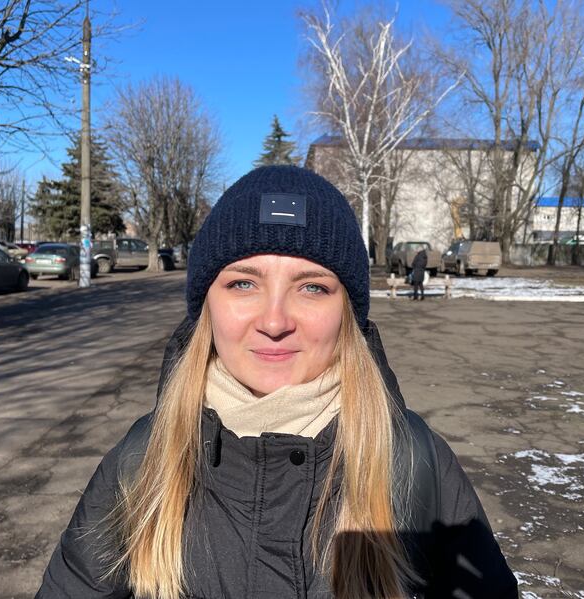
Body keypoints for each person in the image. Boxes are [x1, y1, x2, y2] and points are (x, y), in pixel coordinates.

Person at [36, 165, 517, 598]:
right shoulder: (143, 459)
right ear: (207, 306)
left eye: (311, 287)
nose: (274, 320)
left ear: (347, 313)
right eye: (243, 283)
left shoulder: (412, 461)